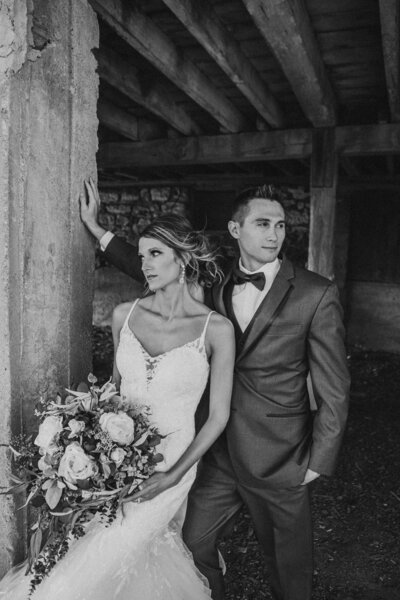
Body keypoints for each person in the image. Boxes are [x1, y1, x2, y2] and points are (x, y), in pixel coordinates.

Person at [79, 180, 350, 600]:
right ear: (236, 229)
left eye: (280, 224)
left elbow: (335, 383)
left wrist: (320, 459)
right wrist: (99, 232)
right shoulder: (217, 276)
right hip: (217, 452)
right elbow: (153, 270)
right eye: (263, 224)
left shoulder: (315, 293)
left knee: (289, 565)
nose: (274, 234)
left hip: (279, 455)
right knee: (192, 543)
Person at [0, 200, 235, 599]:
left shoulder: (216, 329)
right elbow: (113, 391)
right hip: (116, 457)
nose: (145, 264)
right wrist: (88, 447)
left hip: (173, 461)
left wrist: (174, 474)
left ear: (182, 259)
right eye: (141, 256)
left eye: (156, 254)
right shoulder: (124, 315)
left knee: (114, 547)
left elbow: (218, 416)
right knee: (108, 542)